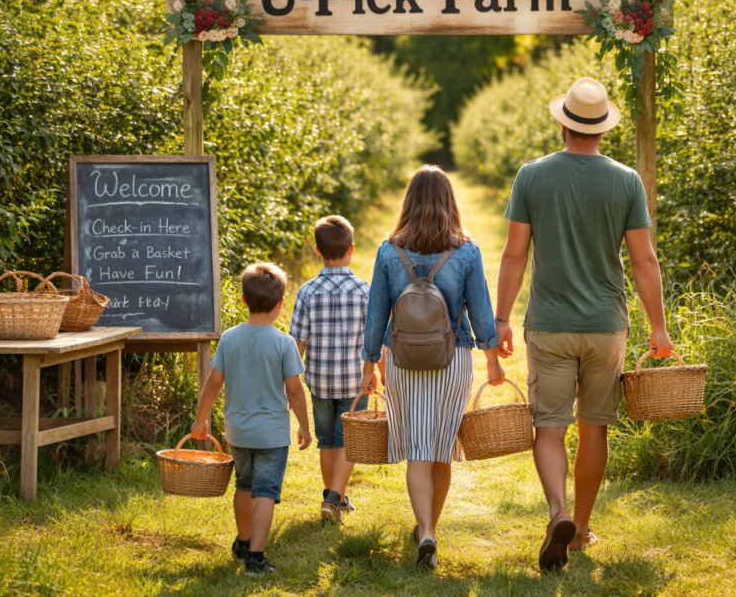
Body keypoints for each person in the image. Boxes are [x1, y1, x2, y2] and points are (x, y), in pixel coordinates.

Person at [495, 77, 674, 572]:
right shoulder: (625, 181)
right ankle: (582, 529)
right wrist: (657, 327)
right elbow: (643, 261)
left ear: (563, 122)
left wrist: (501, 318)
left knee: (549, 426)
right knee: (595, 427)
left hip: (549, 324)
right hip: (605, 325)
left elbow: (514, 255)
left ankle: (559, 512)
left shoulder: (531, 176)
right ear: (603, 128)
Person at [360, 166, 505, 570]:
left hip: (403, 361)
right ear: (449, 201)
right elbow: (480, 313)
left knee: (417, 451)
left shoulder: (390, 250)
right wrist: (492, 360)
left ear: (408, 201)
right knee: (441, 449)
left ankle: (424, 529)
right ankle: (430, 530)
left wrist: (371, 362)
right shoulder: (467, 250)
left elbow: (377, 315)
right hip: (452, 359)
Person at [191, 262, 312, 576]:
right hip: (272, 434)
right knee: (266, 494)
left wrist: (200, 419)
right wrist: (304, 425)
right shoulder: (284, 343)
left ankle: (243, 542)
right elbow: (295, 390)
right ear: (280, 304)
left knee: (244, 488)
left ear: (244, 300)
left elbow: (214, 382)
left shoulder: (230, 338)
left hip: (239, 433)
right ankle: (256, 558)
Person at [290, 215, 373, 525]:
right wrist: (371, 369)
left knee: (327, 442)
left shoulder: (307, 292)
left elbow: (296, 343)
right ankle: (334, 499)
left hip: (319, 381)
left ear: (317, 250)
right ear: (351, 248)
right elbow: (373, 338)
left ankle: (332, 496)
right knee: (348, 444)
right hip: (354, 381)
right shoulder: (365, 291)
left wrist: (290, 382)